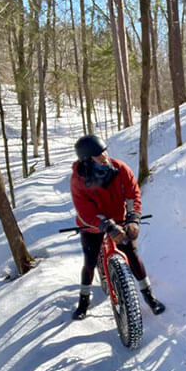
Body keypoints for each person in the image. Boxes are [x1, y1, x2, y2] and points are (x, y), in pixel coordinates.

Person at [70, 134, 165, 319]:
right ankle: (83, 301)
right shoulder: (78, 180)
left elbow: (132, 195)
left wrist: (133, 219)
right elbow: (86, 211)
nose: (104, 156)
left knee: (132, 254)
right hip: (93, 225)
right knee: (89, 262)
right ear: (87, 160)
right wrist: (108, 226)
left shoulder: (120, 168)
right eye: (98, 155)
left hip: (120, 221)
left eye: (104, 151)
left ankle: (149, 296)